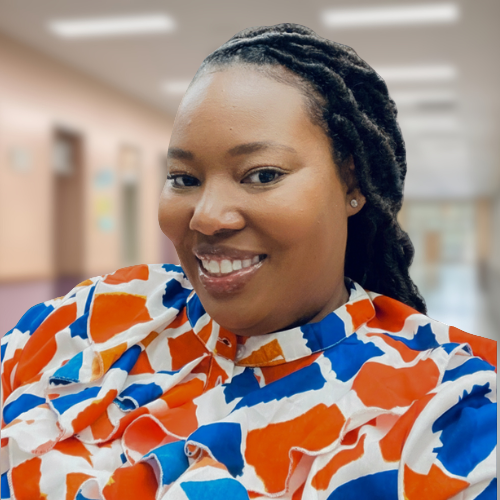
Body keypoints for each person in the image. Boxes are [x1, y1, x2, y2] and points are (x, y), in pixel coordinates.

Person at [1, 23, 496, 500]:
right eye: (184, 178)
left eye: (262, 175)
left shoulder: (450, 411)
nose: (206, 217)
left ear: (352, 182)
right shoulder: (93, 315)